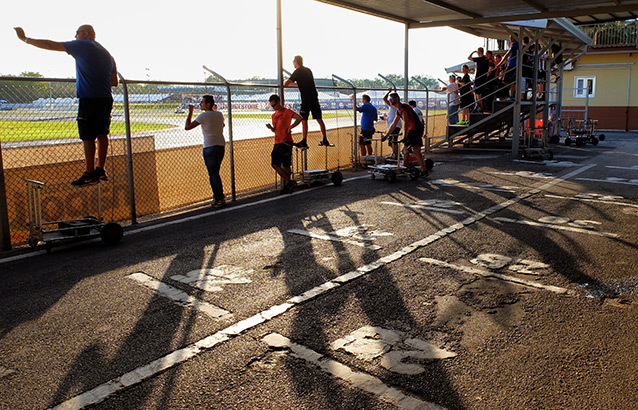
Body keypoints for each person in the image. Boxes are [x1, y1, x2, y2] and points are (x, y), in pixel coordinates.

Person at [14, 25, 117, 186]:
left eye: (76, 34)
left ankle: (89, 173)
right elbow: (114, 82)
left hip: (89, 98)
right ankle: (100, 170)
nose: (75, 38)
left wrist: (25, 39)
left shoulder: (82, 45)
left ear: (85, 34)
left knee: (87, 136)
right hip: (105, 97)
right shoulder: (107, 54)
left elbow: (50, 45)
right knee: (102, 134)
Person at [185, 95, 227, 207]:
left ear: (208, 104)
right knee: (216, 173)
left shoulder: (203, 116)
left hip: (209, 146)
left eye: (202, 102)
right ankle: (219, 196)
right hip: (220, 145)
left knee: (213, 174)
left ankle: (219, 199)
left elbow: (187, 126)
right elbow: (222, 125)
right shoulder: (219, 114)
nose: (200, 104)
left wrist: (190, 112)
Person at [284, 55, 330, 148]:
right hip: (314, 97)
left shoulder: (297, 71)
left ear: (296, 62)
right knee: (319, 118)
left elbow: (286, 83)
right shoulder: (308, 70)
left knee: (304, 119)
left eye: (293, 61)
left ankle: (304, 140)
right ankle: (325, 138)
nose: (293, 63)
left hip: (306, 98)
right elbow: (302, 83)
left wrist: (285, 81)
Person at [266, 94, 303, 195]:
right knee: (274, 163)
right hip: (277, 141)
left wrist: (291, 127)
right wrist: (271, 128)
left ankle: (288, 184)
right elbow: (276, 129)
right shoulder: (274, 115)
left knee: (286, 164)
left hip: (286, 141)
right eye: (272, 106)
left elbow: (299, 118)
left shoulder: (287, 111)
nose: (273, 108)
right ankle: (289, 181)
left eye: (274, 105)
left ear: (279, 102)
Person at [384, 93, 428, 176]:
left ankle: (423, 170)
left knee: (414, 149)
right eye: (390, 99)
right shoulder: (398, 110)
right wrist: (386, 135)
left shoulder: (403, 108)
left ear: (397, 98)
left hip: (415, 129)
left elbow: (406, 122)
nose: (390, 100)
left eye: (392, 98)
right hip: (413, 129)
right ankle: (405, 166)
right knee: (406, 148)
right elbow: (394, 124)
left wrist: (405, 136)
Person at [498, 35, 520, 99]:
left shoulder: (514, 44)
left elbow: (507, 54)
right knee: (511, 81)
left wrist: (500, 63)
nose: (510, 39)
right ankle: (511, 94)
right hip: (513, 64)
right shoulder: (517, 44)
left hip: (512, 65)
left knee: (505, 81)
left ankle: (511, 93)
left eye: (511, 37)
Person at [382, 88, 402, 160]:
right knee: (392, 142)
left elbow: (384, 99)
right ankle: (396, 153)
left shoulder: (394, 105)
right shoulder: (392, 107)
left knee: (392, 142)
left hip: (395, 126)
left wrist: (388, 92)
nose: (390, 99)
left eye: (391, 98)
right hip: (392, 125)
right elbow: (391, 116)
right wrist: (385, 118)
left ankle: (397, 154)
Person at [468, 47, 490, 112]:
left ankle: (480, 108)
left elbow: (469, 58)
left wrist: (473, 52)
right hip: (484, 78)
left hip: (479, 78)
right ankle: (480, 107)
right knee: (480, 93)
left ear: (478, 52)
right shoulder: (486, 59)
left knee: (478, 94)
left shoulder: (480, 59)